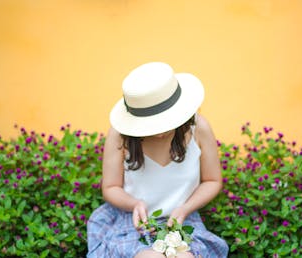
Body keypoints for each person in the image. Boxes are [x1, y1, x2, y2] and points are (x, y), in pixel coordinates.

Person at [87, 62, 228, 258]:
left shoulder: (199, 129)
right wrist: (134, 204)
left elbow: (212, 180)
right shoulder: (120, 136)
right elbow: (111, 187)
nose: (161, 132)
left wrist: (186, 208)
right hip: (132, 221)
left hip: (182, 220)